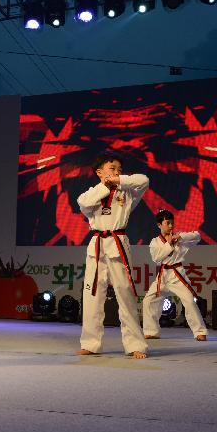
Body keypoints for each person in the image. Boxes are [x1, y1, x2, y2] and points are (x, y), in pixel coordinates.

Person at [76, 153, 149, 359]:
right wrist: (105, 186)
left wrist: (119, 181)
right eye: (112, 168)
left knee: (125, 294)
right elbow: (83, 203)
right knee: (92, 296)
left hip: (118, 243)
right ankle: (91, 343)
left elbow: (144, 180)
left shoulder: (127, 191)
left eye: (119, 169)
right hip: (97, 246)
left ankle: (135, 344)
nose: (116, 172)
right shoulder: (92, 193)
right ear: (99, 172)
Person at [142, 209, 208, 341]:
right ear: (159, 225)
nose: (171, 226)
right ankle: (151, 331)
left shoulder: (179, 238)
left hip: (177, 275)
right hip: (163, 275)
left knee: (189, 301)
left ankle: (200, 331)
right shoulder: (155, 242)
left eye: (172, 223)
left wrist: (180, 238)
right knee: (148, 300)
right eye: (167, 223)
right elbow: (157, 258)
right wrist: (169, 244)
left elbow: (197, 236)